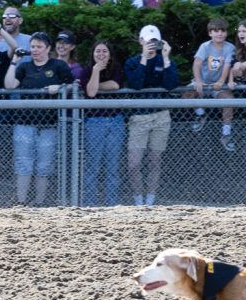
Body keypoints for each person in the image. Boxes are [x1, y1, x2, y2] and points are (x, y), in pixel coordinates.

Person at [4, 31, 74, 206]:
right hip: (24, 122)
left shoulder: (58, 65)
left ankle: (39, 202)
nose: (35, 50)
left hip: (49, 124)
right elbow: (9, 85)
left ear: (48, 48)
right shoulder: (24, 67)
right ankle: (21, 201)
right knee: (23, 162)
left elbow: (73, 84)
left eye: (39, 47)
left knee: (45, 164)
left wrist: (59, 87)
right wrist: (14, 61)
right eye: (33, 46)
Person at [125, 24, 179, 207]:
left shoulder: (164, 60)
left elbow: (171, 84)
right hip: (139, 117)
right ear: (141, 41)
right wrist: (143, 59)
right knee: (134, 163)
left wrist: (166, 58)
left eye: (154, 42)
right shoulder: (133, 62)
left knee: (155, 161)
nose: (151, 45)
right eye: (148, 42)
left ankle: (151, 201)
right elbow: (136, 84)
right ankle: (138, 200)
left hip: (161, 116)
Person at [80, 40, 125, 206]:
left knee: (112, 167)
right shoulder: (87, 71)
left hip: (115, 122)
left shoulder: (116, 68)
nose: (101, 55)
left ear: (110, 54)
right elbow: (91, 93)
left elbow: (115, 85)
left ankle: (111, 204)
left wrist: (96, 85)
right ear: (92, 54)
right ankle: (89, 204)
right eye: (97, 51)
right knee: (92, 166)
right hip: (93, 122)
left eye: (104, 51)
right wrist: (96, 71)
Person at [186, 17, 236, 151]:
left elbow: (227, 65)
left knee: (229, 101)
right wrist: (197, 81)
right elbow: (196, 63)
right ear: (210, 33)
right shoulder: (205, 46)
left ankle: (226, 134)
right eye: (216, 31)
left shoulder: (230, 48)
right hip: (202, 82)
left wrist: (220, 81)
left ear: (226, 33)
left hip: (218, 86)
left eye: (223, 31)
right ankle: (201, 114)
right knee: (186, 94)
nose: (219, 33)